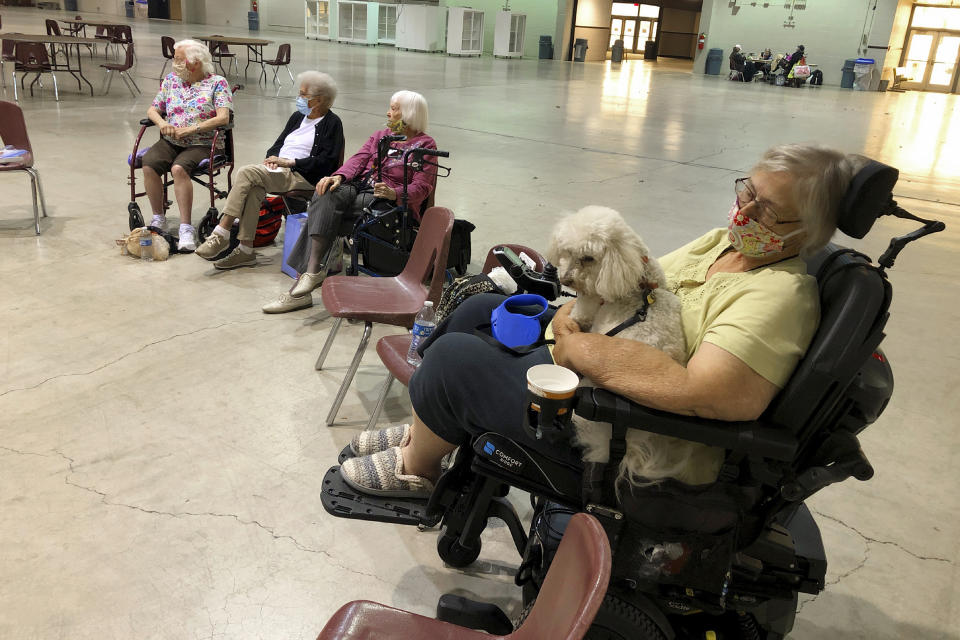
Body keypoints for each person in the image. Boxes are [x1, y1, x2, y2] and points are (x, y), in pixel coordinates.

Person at [337, 144, 869, 498]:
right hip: (611, 364)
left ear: (813, 230)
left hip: (628, 433)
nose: (745, 214)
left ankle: (418, 470)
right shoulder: (720, 244)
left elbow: (715, 395)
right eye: (746, 192)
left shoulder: (779, 296)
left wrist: (577, 349)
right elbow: (634, 281)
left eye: (769, 211)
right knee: (478, 307)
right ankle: (426, 432)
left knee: (455, 360)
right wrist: (569, 313)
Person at [262, 90, 437, 314]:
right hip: (360, 186)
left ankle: (301, 287)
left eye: (394, 109)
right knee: (325, 193)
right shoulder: (381, 135)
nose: (388, 112)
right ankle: (312, 272)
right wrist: (338, 176)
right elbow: (359, 159)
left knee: (326, 213)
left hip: (387, 201)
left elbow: (422, 187)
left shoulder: (426, 146)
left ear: (410, 113)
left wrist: (395, 193)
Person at [194, 71, 344, 269]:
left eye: (303, 95)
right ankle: (246, 250)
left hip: (303, 175)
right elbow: (277, 144)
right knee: (254, 188)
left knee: (247, 172)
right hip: (280, 171)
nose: (298, 99)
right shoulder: (298, 116)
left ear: (319, 100)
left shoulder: (332, 123)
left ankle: (222, 232)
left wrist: (291, 163)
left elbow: (327, 162)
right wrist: (274, 159)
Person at [142, 39, 233, 252]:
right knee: (149, 163)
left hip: (204, 142)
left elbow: (223, 118)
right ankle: (158, 218)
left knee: (178, 168)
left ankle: (185, 227)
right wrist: (163, 124)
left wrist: (191, 130)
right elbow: (153, 110)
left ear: (196, 62)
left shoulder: (217, 83)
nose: (175, 64)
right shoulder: (171, 80)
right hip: (172, 140)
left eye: (179, 60)